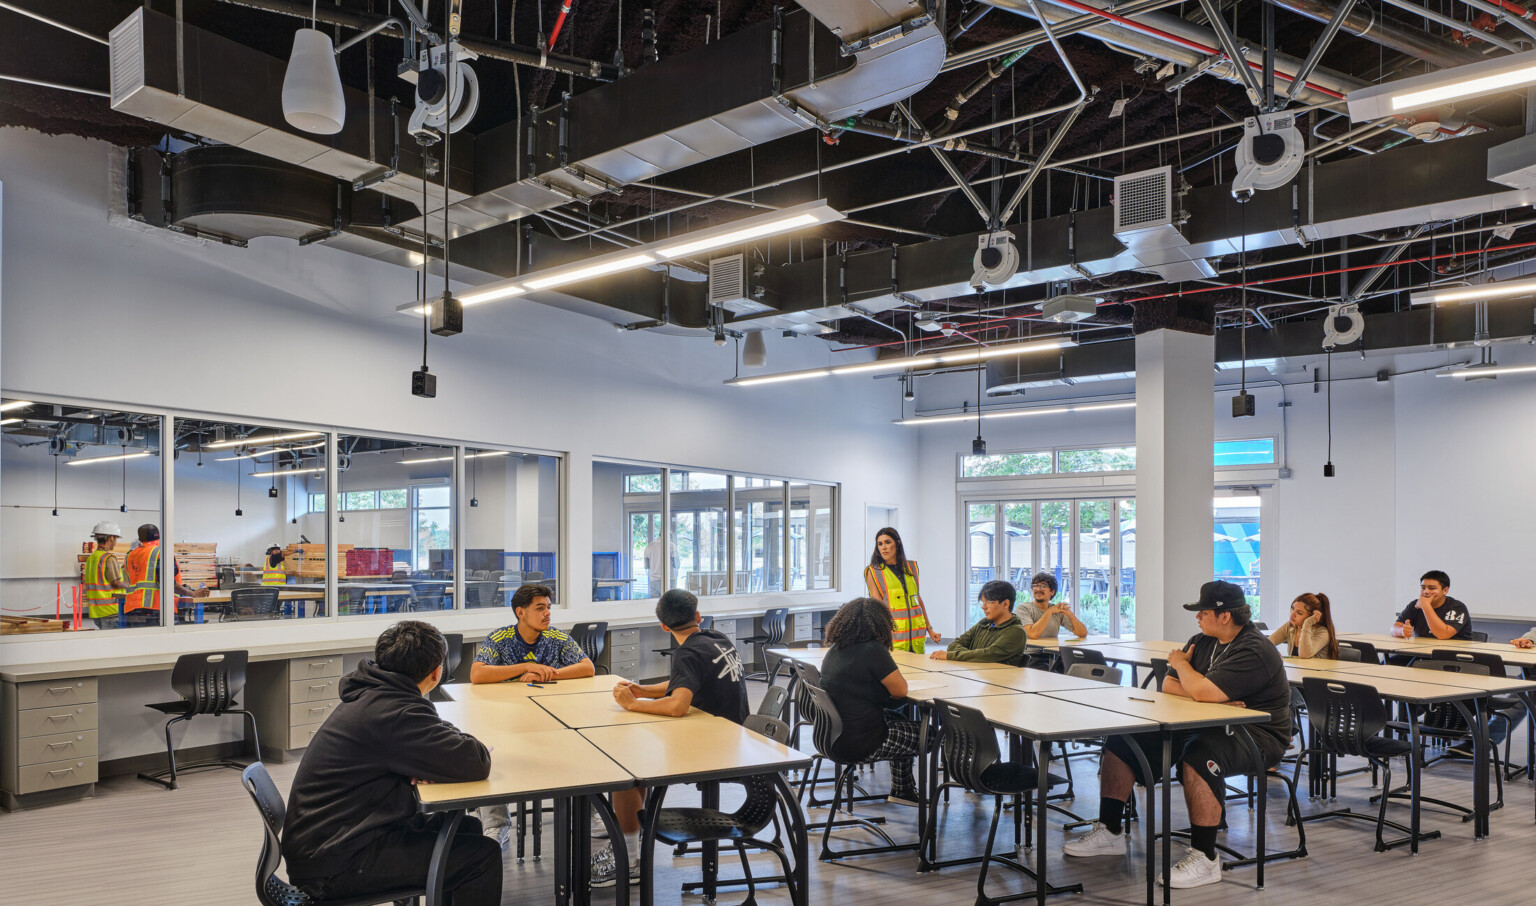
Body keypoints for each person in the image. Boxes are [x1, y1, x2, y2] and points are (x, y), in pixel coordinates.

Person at [1061, 581, 1291, 890]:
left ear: (1224, 616)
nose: (1197, 618)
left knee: (1200, 756)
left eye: (1203, 612)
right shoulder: (1202, 639)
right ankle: (1111, 831)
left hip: (1256, 735)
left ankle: (1206, 859)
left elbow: (1199, 688)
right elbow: (1168, 686)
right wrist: (1204, 694)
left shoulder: (1254, 649)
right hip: (1206, 721)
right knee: (1122, 740)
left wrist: (1185, 668)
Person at [281, 621, 499, 905]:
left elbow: (439, 737)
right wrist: (437, 754)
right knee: (482, 855)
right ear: (437, 672)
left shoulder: (376, 693)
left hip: (332, 839)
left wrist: (431, 754)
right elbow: (475, 760)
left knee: (465, 828)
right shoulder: (396, 714)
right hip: (337, 862)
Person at [604, 589, 747, 887]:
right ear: (698, 616)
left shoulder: (686, 652)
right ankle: (636, 834)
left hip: (713, 748)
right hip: (735, 737)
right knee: (638, 765)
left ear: (664, 626)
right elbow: (685, 682)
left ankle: (629, 858)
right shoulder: (715, 637)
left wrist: (632, 704)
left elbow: (678, 705)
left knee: (623, 770)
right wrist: (645, 691)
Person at [470, 584, 595, 849]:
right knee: (486, 754)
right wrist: (526, 667)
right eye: (540, 608)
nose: (547, 613)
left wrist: (548, 672)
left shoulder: (557, 638)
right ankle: (496, 824)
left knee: (587, 746)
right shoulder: (500, 638)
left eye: (548, 607)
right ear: (521, 612)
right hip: (504, 719)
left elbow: (587, 667)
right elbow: (477, 674)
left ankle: (591, 813)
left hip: (551, 718)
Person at [820, 597, 930, 806]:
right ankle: (903, 789)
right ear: (881, 623)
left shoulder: (835, 650)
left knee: (900, 721)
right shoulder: (872, 650)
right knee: (930, 734)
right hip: (861, 741)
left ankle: (902, 789)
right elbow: (900, 691)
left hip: (834, 736)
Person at [863, 526, 940, 653]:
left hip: (917, 636)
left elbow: (918, 599)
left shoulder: (912, 567)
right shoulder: (873, 571)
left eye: (888, 542)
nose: (883, 547)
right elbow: (878, 606)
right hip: (894, 637)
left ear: (897, 543)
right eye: (880, 544)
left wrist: (929, 628)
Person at [122, 524, 208, 623]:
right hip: (157, 609)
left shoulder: (129, 556)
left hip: (132, 608)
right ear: (159, 535)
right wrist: (193, 593)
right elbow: (167, 582)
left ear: (140, 538)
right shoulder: (161, 552)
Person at [930, 579, 1027, 666]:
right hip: (977, 678)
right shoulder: (984, 624)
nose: (983, 607)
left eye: (989, 602)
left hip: (1000, 682)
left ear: (1005, 604)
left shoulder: (1016, 632)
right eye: (983, 602)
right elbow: (954, 645)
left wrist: (953, 656)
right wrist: (973, 655)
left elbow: (988, 655)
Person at [1392, 570, 1472, 641]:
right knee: (1388, 658)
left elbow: (1443, 634)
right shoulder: (1415, 604)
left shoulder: (1457, 607)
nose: (1425, 591)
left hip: (1450, 655)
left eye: (1431, 588)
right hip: (1421, 652)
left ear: (1445, 590)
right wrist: (1402, 631)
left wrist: (1426, 606)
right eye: (1423, 588)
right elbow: (1394, 628)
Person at [82, 522, 130, 630]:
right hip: (111, 610)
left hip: (97, 611)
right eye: (116, 539)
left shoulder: (92, 558)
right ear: (111, 538)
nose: (116, 542)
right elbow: (116, 583)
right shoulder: (108, 558)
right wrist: (131, 586)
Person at [1015, 572, 1088, 641]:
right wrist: (1049, 611)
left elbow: (1082, 634)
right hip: (1031, 653)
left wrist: (1070, 614)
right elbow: (1033, 634)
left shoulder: (1056, 610)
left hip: (1053, 652)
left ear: (1052, 592)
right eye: (1035, 586)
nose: (1038, 589)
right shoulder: (1023, 609)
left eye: (1043, 586)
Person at [1269, 593, 1339, 659]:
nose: (1292, 614)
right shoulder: (1290, 626)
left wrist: (1307, 623)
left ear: (1312, 616)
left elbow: (1304, 655)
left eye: (1299, 613)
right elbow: (1265, 644)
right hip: (1297, 670)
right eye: (1293, 609)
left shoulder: (1322, 633)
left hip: (1317, 671)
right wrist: (1274, 654)